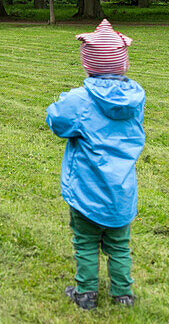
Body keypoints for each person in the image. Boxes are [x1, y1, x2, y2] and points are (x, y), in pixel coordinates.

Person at [45, 19, 145, 310]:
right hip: (122, 191)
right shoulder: (135, 98)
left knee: (86, 243)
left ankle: (85, 294)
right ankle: (123, 295)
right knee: (119, 245)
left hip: (86, 190)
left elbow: (56, 120)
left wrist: (66, 98)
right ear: (123, 64)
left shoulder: (80, 99)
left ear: (87, 64)